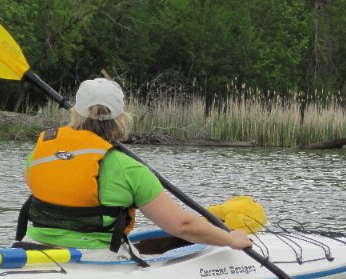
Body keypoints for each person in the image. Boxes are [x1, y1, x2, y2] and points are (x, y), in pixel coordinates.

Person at [15, 77, 252, 261]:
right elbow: (180, 226)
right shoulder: (128, 168)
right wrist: (230, 239)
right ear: (121, 119)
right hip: (95, 258)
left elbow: (34, 180)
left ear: (75, 113)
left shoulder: (41, 152)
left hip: (31, 249)